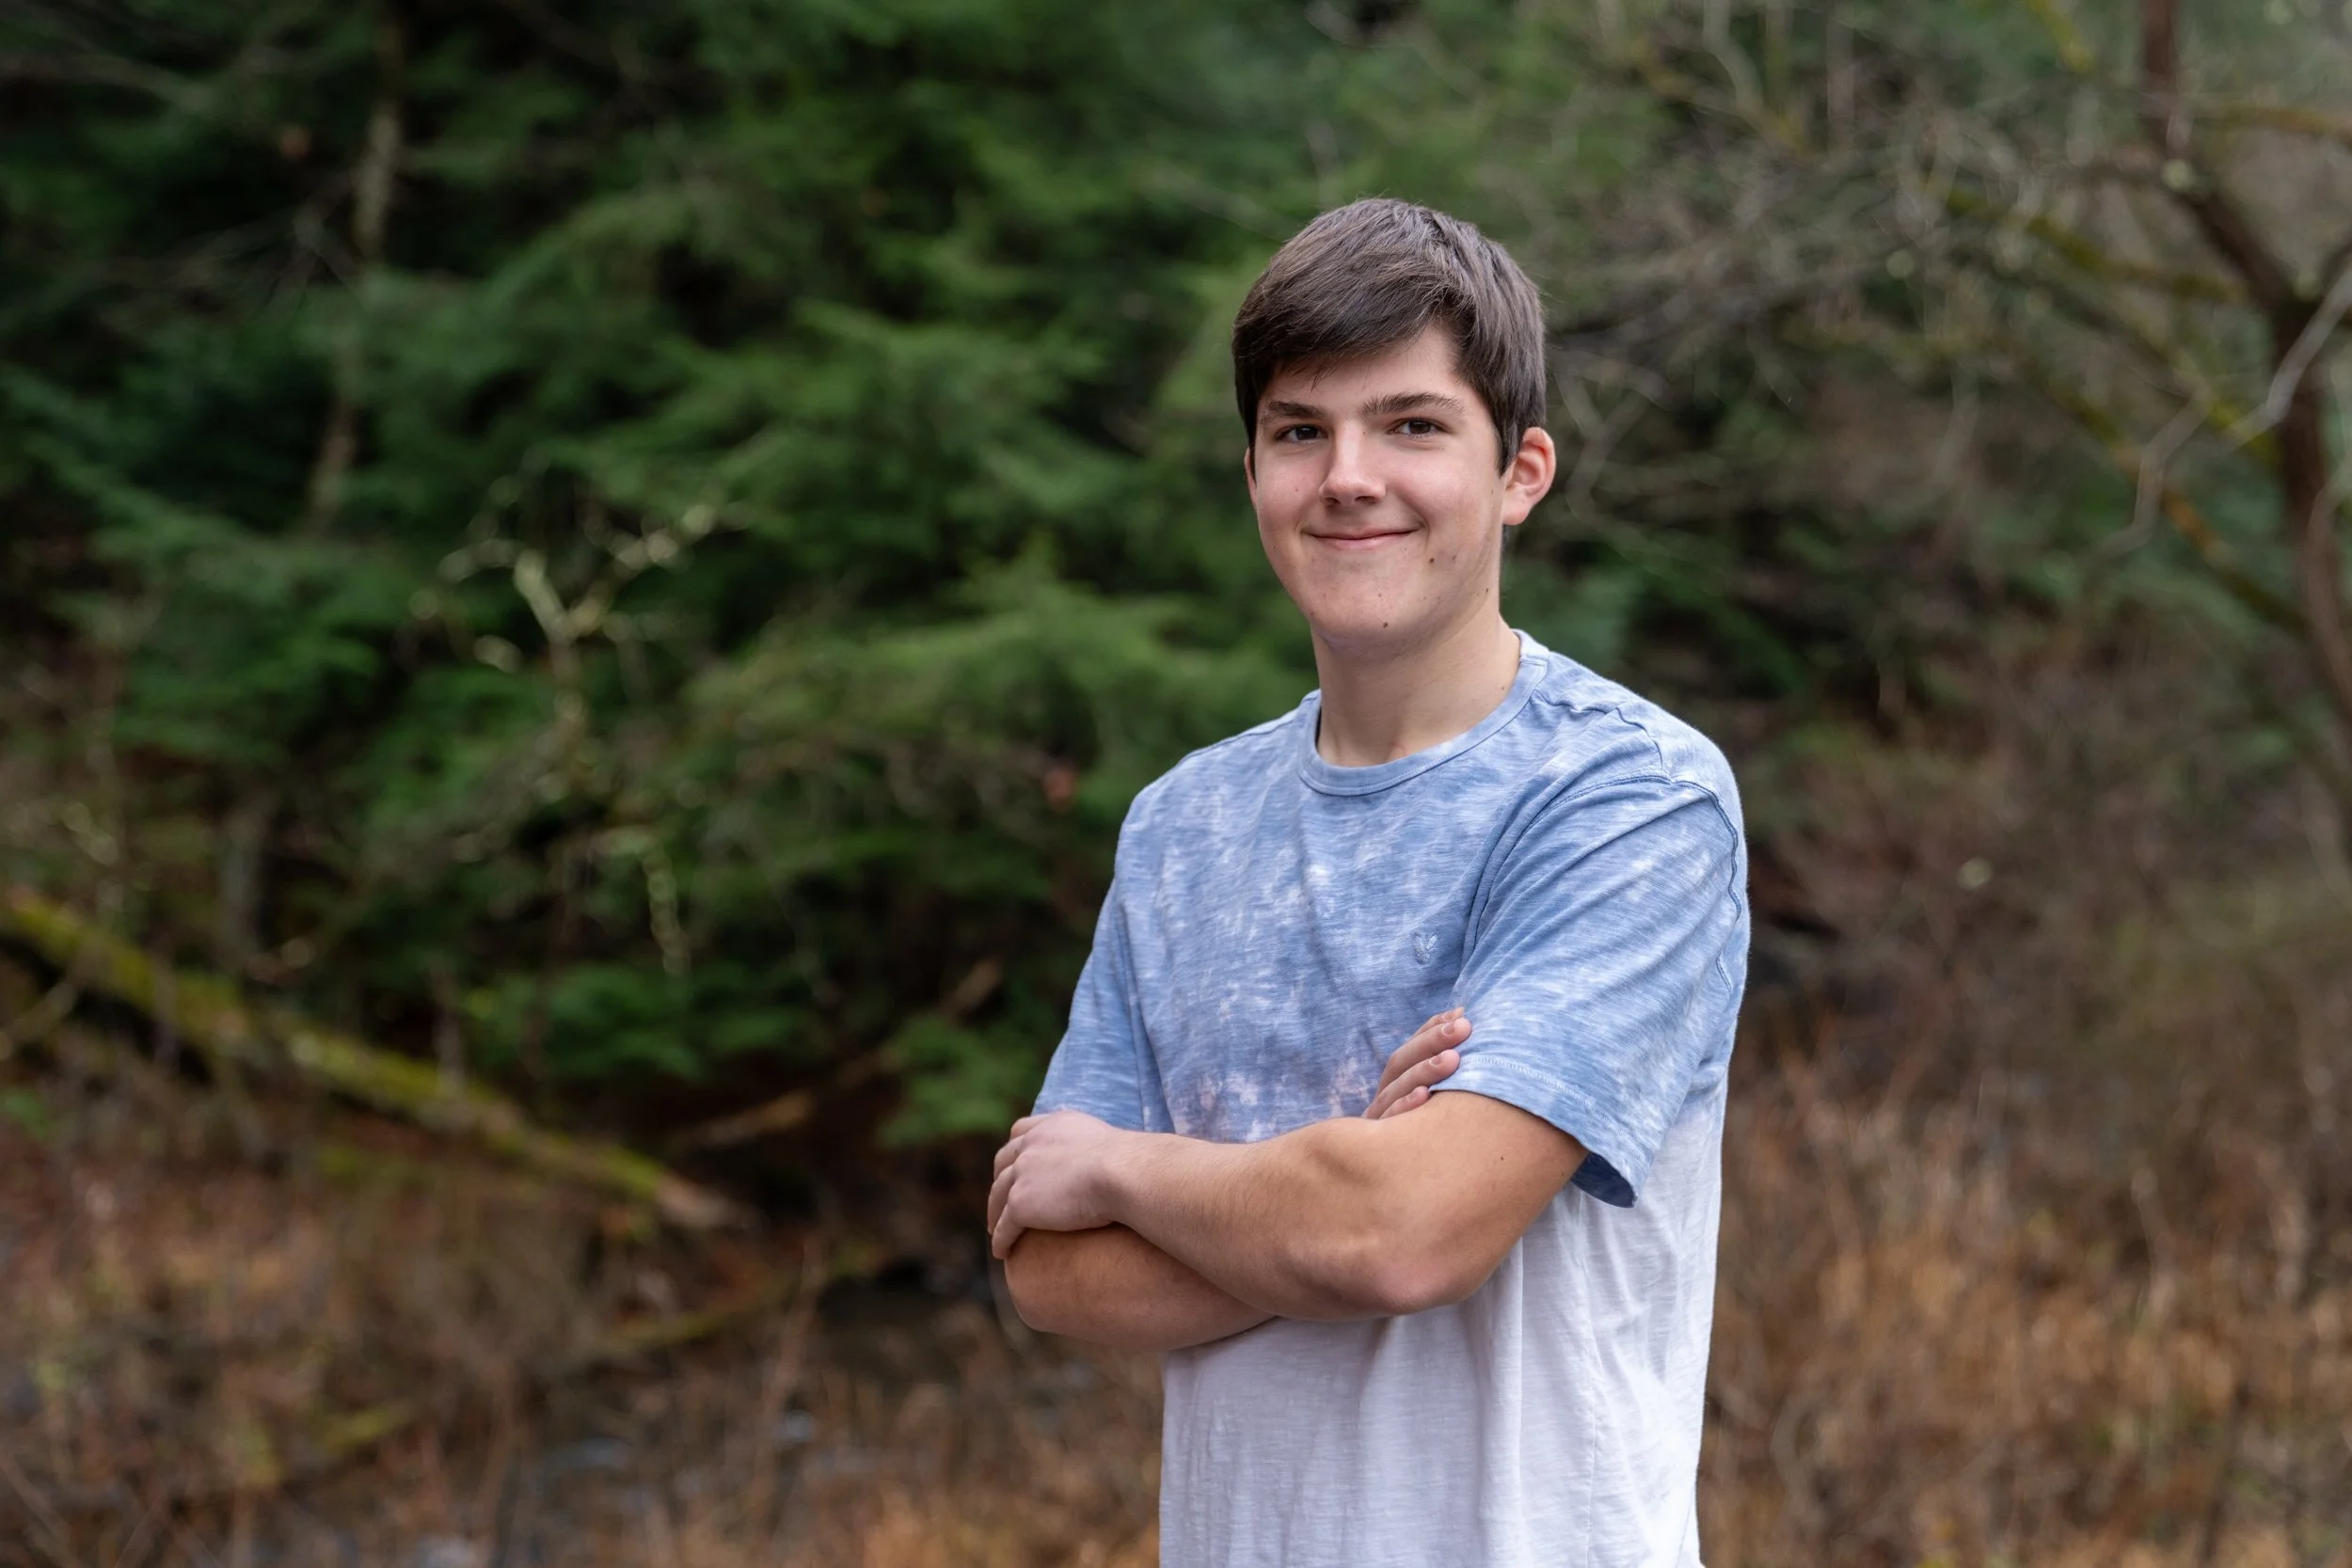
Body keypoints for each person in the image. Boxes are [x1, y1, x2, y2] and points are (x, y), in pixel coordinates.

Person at [986, 198, 1749, 1568]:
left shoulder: (1628, 798)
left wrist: (1128, 1163)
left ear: (1520, 469)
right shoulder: (1181, 827)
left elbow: (1404, 1235)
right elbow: (1048, 1268)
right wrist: (1331, 1182)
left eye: (1410, 424)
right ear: (1254, 473)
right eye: (1300, 431)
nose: (1349, 475)